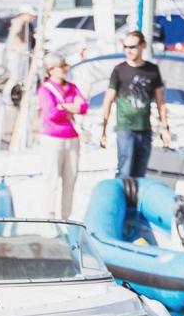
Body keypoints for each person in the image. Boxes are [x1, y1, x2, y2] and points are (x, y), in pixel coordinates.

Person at [99, 30, 170, 179]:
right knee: (125, 171)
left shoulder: (152, 70)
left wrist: (165, 127)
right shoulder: (119, 70)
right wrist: (103, 130)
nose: (128, 50)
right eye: (125, 47)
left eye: (132, 46)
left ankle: (135, 201)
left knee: (140, 174)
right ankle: (122, 200)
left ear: (143, 46)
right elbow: (108, 100)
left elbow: (160, 101)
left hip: (145, 129)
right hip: (125, 128)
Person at [37, 53, 88, 219]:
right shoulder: (45, 89)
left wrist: (63, 107)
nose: (65, 69)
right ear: (51, 70)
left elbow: (83, 107)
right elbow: (51, 113)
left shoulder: (72, 88)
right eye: (61, 66)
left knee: (70, 179)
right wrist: (70, 107)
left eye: (65, 65)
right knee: (51, 178)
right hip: (53, 138)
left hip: (72, 137)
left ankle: (66, 216)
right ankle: (49, 215)